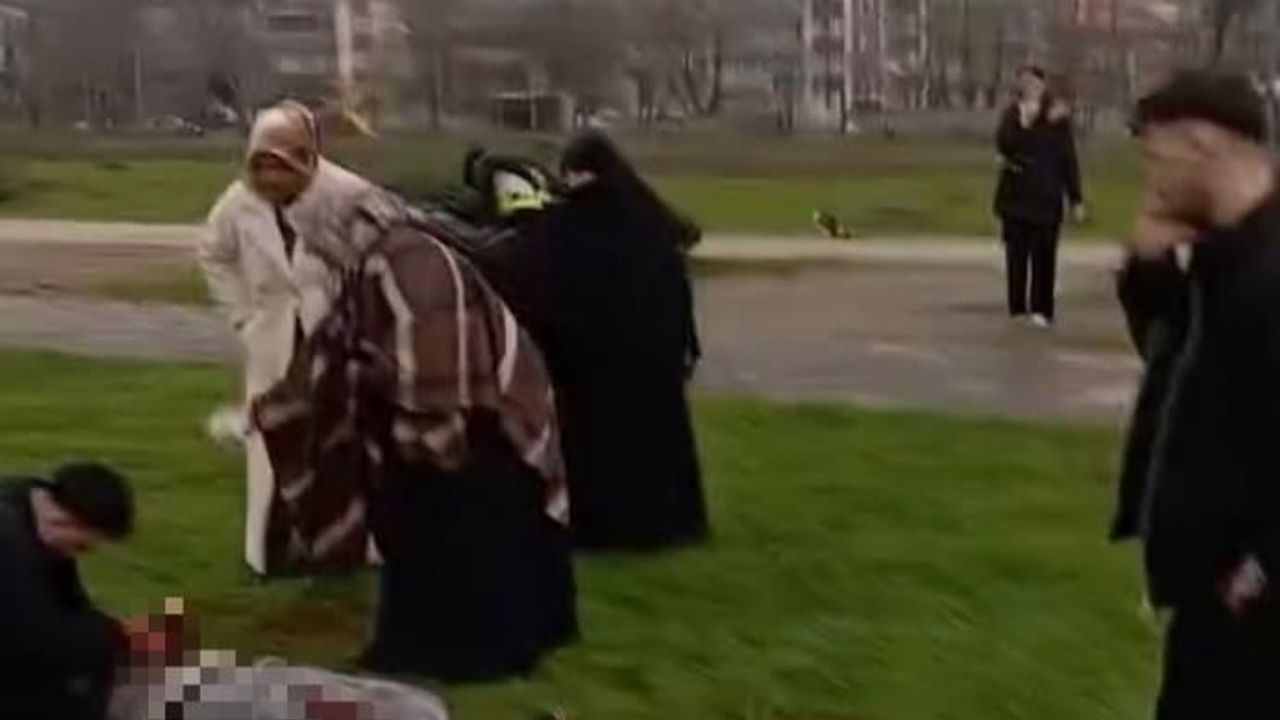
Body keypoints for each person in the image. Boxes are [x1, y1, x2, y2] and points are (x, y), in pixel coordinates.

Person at [252, 192, 577, 683]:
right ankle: (422, 647)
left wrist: (420, 438)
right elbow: (337, 344)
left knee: (471, 542)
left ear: (338, 229)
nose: (314, 255)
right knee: (421, 538)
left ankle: (473, 657)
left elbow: (436, 363)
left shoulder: (409, 261)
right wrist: (280, 407)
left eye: (315, 244)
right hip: (433, 420)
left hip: (476, 424)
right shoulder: (375, 260)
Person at [1120, 70, 1280, 719]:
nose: (1150, 181)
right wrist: (1148, 271)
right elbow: (1176, 373)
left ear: (1203, 145)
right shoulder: (1226, 258)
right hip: (1210, 591)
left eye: (1158, 160)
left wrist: (1259, 572)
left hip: (1253, 609)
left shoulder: (1270, 270)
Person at [198, 100, 376, 577]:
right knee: (274, 434)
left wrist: (358, 312)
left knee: (342, 437)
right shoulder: (238, 202)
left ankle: (348, 546)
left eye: (281, 167)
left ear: (306, 157)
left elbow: (380, 258)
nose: (270, 180)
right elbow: (213, 254)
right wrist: (242, 314)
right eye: (261, 167)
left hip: (337, 335)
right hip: (273, 337)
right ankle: (274, 548)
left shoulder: (349, 195)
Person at [540, 130, 708, 551]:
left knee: (600, 450)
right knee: (657, 448)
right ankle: (669, 526)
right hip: (655, 358)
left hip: (592, 364)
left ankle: (603, 531)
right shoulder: (651, 218)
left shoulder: (566, 224)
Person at [0, 462, 138, 720]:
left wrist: (117, 632)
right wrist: (115, 637)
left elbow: (66, 601)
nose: (78, 555)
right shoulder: (9, 549)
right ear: (63, 521)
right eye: (81, 546)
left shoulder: (32, 514)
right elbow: (36, 639)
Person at [995, 66, 1085, 328]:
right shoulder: (1012, 114)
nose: (1030, 87)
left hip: (1047, 195)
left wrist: (1075, 198)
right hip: (1016, 195)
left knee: (1044, 255)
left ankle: (1042, 309)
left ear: (1043, 85)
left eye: (1034, 82)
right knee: (1016, 256)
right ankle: (1017, 308)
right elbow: (1004, 145)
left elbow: (1068, 158)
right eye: (1025, 82)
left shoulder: (1057, 117)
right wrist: (1023, 122)